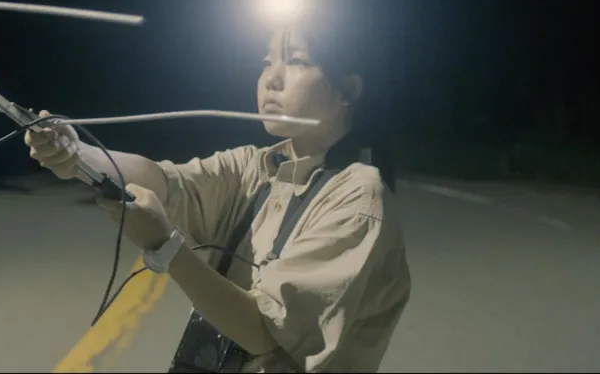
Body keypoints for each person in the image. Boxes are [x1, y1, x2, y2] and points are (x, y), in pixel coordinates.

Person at [23, 21, 411, 373]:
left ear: (350, 90)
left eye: (296, 62)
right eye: (265, 62)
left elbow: (263, 331)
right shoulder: (254, 168)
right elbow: (166, 181)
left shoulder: (358, 197)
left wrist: (165, 246)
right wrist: (76, 154)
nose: (271, 79)